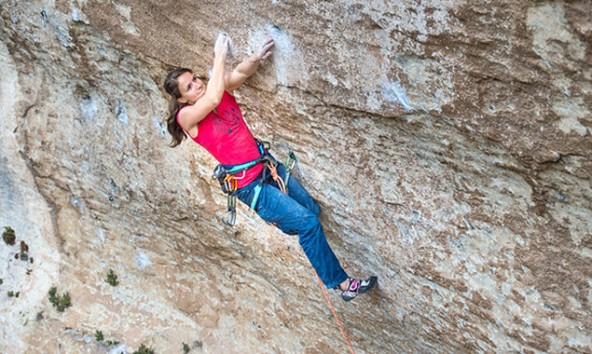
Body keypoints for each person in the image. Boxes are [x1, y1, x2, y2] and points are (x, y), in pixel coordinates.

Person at [163, 32, 377, 302]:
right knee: (309, 224)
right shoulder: (187, 118)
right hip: (252, 188)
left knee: (312, 211)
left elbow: (239, 73)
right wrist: (218, 55)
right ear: (182, 100)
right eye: (190, 86)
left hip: (268, 168)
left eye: (195, 78)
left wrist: (256, 57)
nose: (197, 84)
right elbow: (214, 98)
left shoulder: (218, 89)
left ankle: (289, 221)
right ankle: (344, 286)